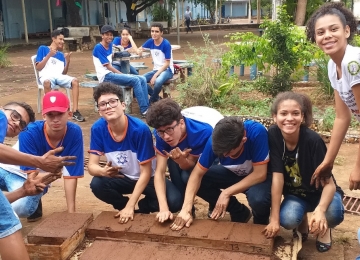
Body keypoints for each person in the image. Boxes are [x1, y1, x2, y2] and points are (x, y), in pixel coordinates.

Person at [263, 92, 344, 253]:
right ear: (274, 116)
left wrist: (321, 210)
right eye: (283, 113)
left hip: (321, 193)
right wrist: (274, 218)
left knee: (333, 214)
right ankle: (303, 222)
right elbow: (277, 178)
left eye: (295, 113)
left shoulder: (313, 141)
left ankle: (324, 229)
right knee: (287, 219)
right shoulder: (273, 135)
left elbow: (329, 185)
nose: (289, 118)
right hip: (296, 195)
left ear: (302, 117)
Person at [0, 101, 76, 260]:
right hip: (9, 169)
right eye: (14, 115)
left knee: (15, 211)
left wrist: (23, 191)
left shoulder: (73, 132)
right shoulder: (0, 117)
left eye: (21, 123)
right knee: (8, 223)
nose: (15, 123)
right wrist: (40, 162)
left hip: (23, 178)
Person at [88, 82, 171, 224]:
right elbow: (91, 166)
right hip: (123, 177)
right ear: (99, 111)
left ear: (123, 105)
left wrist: (132, 204)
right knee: (97, 184)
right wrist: (103, 171)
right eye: (102, 104)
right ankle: (122, 206)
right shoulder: (98, 128)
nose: (108, 107)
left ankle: (141, 207)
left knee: (174, 201)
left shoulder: (139, 130)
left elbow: (145, 173)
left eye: (113, 102)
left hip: (147, 178)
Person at [170, 116, 272, 231]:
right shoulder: (214, 141)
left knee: (258, 199)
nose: (224, 156)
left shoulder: (256, 133)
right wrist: (186, 209)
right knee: (188, 176)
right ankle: (238, 211)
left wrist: (226, 193)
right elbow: (197, 174)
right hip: (233, 174)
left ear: (243, 141)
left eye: (229, 153)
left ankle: (260, 222)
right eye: (220, 153)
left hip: (256, 177)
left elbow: (260, 174)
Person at [0, 91, 84, 222]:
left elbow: (70, 175)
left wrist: (71, 213)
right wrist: (43, 165)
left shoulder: (74, 132)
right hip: (5, 169)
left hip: (29, 179)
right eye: (50, 115)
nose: (55, 119)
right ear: (44, 116)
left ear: (69, 114)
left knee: (21, 208)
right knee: (7, 209)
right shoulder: (29, 131)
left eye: (60, 114)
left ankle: (34, 200)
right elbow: (31, 174)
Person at [306, 2, 360, 190]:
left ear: (346, 31)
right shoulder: (332, 66)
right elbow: (342, 117)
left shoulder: (353, 62)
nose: (327, 35)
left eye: (333, 29)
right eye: (320, 32)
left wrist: (358, 167)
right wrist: (328, 161)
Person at [145, 99, 223, 222]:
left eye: (169, 129)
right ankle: (187, 208)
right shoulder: (161, 133)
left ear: (181, 123)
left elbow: (194, 167)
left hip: (213, 137)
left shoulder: (203, 132)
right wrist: (163, 208)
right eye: (160, 131)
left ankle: (213, 201)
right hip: (188, 139)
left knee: (195, 176)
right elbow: (159, 172)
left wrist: (182, 161)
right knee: (173, 160)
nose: (165, 136)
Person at [93, 25, 149, 117]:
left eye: (111, 35)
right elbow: (108, 66)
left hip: (111, 74)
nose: (109, 37)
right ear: (102, 35)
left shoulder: (110, 45)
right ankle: (144, 110)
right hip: (106, 76)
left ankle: (146, 108)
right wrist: (122, 74)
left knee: (142, 78)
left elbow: (113, 54)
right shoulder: (98, 47)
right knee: (135, 80)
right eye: (107, 34)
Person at [35, 29, 85, 122]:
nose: (62, 42)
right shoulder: (43, 48)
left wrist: (68, 62)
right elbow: (38, 67)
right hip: (46, 76)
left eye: (63, 40)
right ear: (53, 39)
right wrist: (49, 55)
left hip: (58, 77)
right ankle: (50, 109)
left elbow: (63, 73)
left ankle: (75, 111)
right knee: (47, 82)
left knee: (75, 81)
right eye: (60, 39)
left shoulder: (61, 55)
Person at [139, 23, 174, 104]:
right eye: (152, 31)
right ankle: (156, 98)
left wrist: (155, 75)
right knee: (140, 80)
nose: (154, 34)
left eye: (156, 31)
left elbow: (167, 64)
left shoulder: (166, 44)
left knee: (158, 82)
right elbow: (140, 49)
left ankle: (152, 100)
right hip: (156, 70)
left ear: (161, 33)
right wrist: (139, 51)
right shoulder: (150, 41)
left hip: (167, 70)